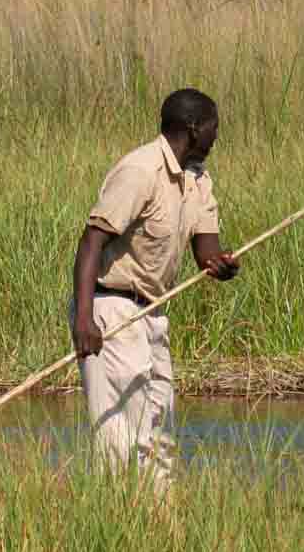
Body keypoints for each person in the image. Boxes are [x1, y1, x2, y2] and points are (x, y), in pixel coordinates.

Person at [70, 88, 240, 490]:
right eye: (214, 127)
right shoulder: (140, 171)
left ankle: (159, 528)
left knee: (159, 430)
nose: (217, 136)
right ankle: (113, 523)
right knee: (119, 438)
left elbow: (207, 251)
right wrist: (83, 319)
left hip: (152, 314)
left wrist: (221, 266)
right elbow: (91, 241)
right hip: (110, 311)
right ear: (193, 127)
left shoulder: (198, 179)